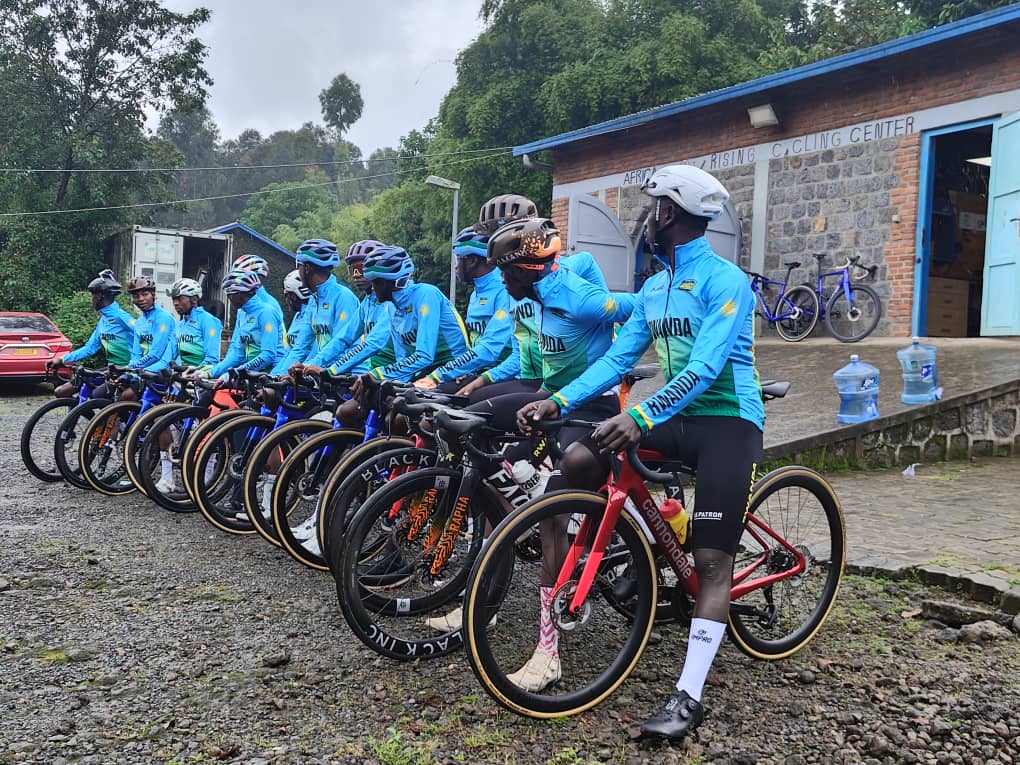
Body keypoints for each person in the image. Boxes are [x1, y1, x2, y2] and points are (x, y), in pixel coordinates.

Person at [519, 165, 763, 741]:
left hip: (729, 421)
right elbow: (614, 363)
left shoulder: (726, 281)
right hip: (680, 418)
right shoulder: (654, 287)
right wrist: (558, 401)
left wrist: (642, 415)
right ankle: (645, 547)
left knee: (711, 566)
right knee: (590, 455)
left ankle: (688, 697)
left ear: (670, 213)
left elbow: (705, 367)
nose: (648, 218)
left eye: (654, 208)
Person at [150, 277, 223, 493]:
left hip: (201, 381)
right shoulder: (179, 324)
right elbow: (169, 356)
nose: (175, 303)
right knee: (161, 419)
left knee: (201, 429)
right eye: (173, 299)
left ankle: (206, 478)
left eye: (179, 299)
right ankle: (167, 477)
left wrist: (198, 371)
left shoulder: (208, 321)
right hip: (181, 382)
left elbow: (212, 358)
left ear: (193, 299)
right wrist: (152, 371)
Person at [418, 227, 513, 391]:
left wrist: (438, 375)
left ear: (472, 261)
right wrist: (464, 368)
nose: (455, 267)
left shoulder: (504, 291)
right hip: (478, 371)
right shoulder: (476, 293)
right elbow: (475, 343)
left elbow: (490, 347)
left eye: (458, 259)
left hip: (504, 375)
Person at [361, 246, 468, 383]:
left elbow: (424, 355)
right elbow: (402, 360)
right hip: (425, 371)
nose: (373, 288)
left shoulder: (426, 294)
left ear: (389, 282)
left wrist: (378, 374)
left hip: (453, 367)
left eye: (376, 283)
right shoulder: (391, 309)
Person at [53, 269, 136, 399]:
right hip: (110, 369)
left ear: (100, 296)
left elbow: (144, 337)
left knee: (97, 396)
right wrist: (62, 360)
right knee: (61, 391)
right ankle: (82, 415)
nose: (92, 300)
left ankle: (115, 419)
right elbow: (90, 348)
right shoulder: (104, 320)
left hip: (126, 370)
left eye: (93, 296)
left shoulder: (122, 317)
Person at [286, 239, 361, 376]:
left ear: (307, 268)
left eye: (299, 266)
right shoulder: (313, 301)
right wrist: (277, 376)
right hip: (324, 374)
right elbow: (300, 348)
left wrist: (310, 365)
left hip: (350, 375)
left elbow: (342, 346)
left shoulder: (344, 297)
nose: (298, 271)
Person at [323, 239, 396, 376]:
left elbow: (373, 343)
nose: (356, 275)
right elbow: (343, 338)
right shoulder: (367, 303)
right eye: (352, 270)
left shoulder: (391, 302)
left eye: (361, 269)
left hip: (402, 373)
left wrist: (331, 370)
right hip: (377, 372)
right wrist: (311, 364)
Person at [206, 269, 283, 382]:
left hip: (272, 374)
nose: (228, 299)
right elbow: (238, 354)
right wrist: (210, 373)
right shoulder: (242, 313)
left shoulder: (266, 313)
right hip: (252, 374)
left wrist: (237, 373)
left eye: (229, 295)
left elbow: (268, 355)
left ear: (238, 294)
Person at [270, 270, 315, 376]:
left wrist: (281, 376)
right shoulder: (297, 316)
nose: (286, 299)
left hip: (306, 373)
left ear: (294, 296)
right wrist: (273, 376)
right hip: (292, 372)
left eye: (286, 294)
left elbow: (303, 350)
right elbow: (288, 354)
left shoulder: (312, 314)